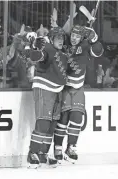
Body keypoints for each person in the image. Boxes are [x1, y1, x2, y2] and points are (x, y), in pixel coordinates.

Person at [53, 25, 101, 163]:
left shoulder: (85, 46)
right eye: (73, 35)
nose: (74, 38)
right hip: (65, 87)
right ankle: (58, 147)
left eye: (77, 36)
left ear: (81, 38)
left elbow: (98, 51)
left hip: (79, 87)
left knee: (77, 118)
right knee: (63, 119)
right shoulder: (65, 44)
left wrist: (94, 39)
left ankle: (71, 147)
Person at [27, 27, 68, 168]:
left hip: (57, 91)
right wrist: (34, 48)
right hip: (44, 88)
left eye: (62, 38)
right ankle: (32, 153)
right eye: (57, 38)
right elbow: (37, 56)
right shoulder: (48, 49)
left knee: (52, 125)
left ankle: (43, 154)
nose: (61, 40)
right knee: (44, 122)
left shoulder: (61, 54)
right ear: (51, 38)